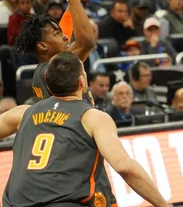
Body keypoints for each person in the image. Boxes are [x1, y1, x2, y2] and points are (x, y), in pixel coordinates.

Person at [0, 52, 170, 207]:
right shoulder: (92, 117)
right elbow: (124, 166)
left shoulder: (23, 113)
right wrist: (163, 205)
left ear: (50, 86)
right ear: (82, 82)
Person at [12, 0, 120, 205]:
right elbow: (87, 41)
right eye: (57, 33)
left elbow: (69, 29)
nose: (64, 35)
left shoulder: (50, 64)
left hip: (75, 151)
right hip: (75, 153)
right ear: (42, 46)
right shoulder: (53, 68)